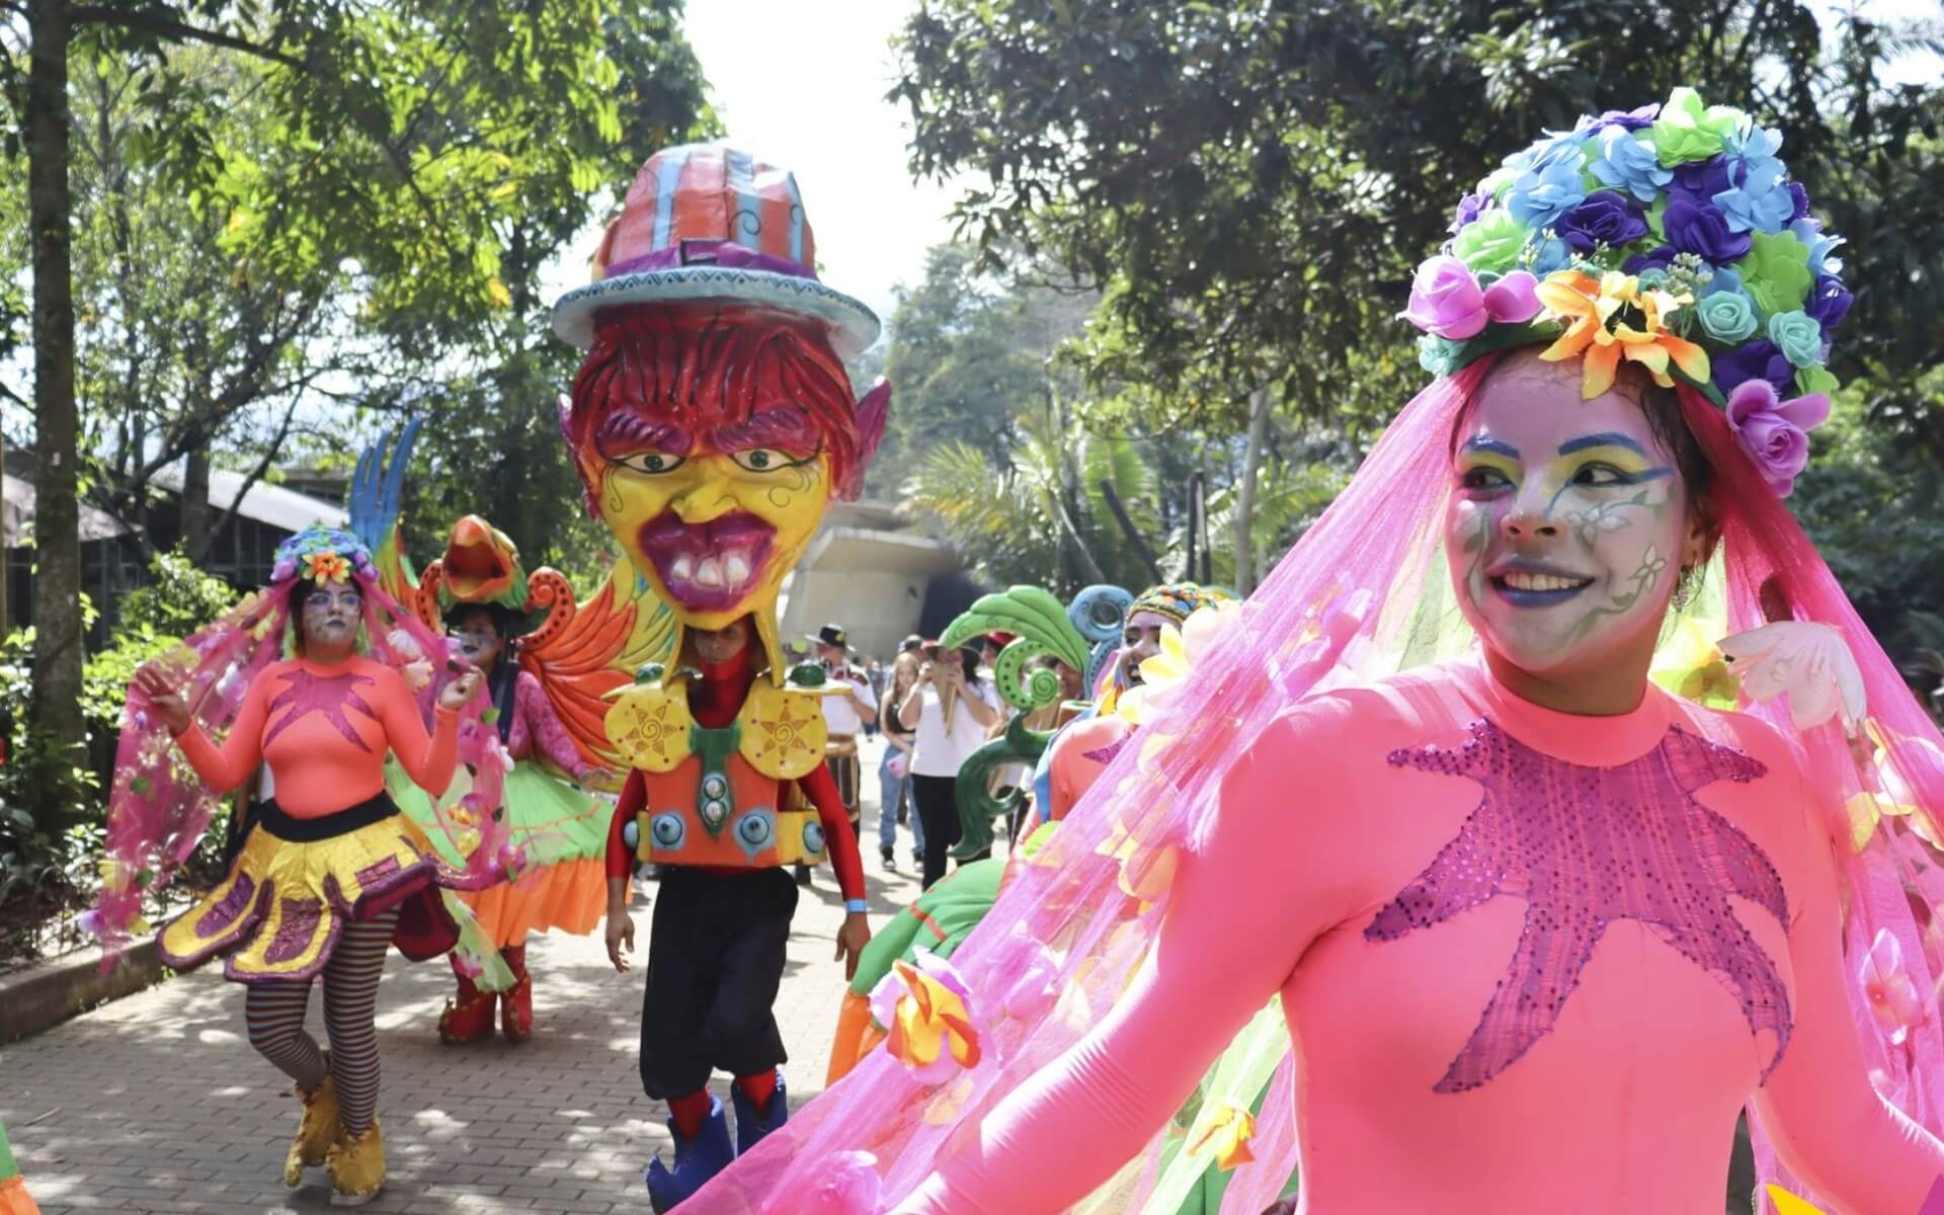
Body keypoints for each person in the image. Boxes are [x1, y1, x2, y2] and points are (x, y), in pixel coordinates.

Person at [678, 89, 1944, 1215]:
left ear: (1707, 520)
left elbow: (1844, 1145)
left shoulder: (1774, 790)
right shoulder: (1328, 763)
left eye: (1601, 474)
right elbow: (1115, 1087)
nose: (1532, 513)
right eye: (1488, 475)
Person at [549, 142, 882, 1211]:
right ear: (587, 459)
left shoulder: (787, 714)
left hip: (760, 889)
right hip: (684, 887)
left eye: (762, 454)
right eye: (650, 458)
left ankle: (767, 1118)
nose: (698, 503)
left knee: (740, 1021)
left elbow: (828, 809)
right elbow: (629, 813)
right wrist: (612, 899)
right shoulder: (650, 713)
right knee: (666, 1053)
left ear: (847, 454)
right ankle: (702, 1149)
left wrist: (862, 907)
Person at [107, 527, 491, 1205]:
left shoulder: (381, 682)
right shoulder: (272, 682)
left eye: (348, 597)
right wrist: (180, 722)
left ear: (361, 609)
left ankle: (361, 1137)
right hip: (282, 865)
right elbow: (227, 774)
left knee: (350, 1016)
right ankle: (327, 1094)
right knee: (270, 1023)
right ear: (297, 611)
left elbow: (431, 776)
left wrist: (451, 715)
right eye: (322, 599)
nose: (336, 608)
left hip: (371, 864)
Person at [898, 642, 1000, 889]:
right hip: (927, 776)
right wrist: (918, 686)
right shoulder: (925, 688)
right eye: (943, 656)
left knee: (971, 845)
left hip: (967, 778)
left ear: (965, 659)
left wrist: (962, 688)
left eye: (955, 656)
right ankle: (931, 905)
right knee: (934, 845)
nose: (949, 661)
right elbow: (906, 722)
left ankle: (970, 903)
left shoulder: (981, 686)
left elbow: (989, 720)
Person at [801, 622, 878, 886]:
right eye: (819, 646)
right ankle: (804, 865)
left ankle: (848, 864)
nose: (819, 650)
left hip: (844, 748)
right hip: (811, 747)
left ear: (837, 649)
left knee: (848, 809)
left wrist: (851, 698)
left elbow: (871, 716)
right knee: (806, 806)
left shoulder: (857, 677)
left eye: (824, 646)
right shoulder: (807, 674)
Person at [877, 648, 927, 871]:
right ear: (896, 675)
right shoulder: (889, 697)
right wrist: (906, 748)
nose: (906, 677)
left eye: (910, 673)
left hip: (920, 748)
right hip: (896, 749)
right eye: (902, 673)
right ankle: (887, 850)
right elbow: (885, 729)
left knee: (918, 806)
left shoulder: (923, 696)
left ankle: (920, 852)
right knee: (888, 803)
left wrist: (914, 749)